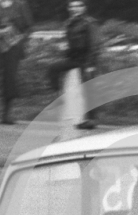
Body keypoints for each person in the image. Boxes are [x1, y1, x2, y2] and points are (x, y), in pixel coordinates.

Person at [47, 0, 100, 130]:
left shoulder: (89, 23)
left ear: (84, 8)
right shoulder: (69, 23)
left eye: (78, 6)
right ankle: (59, 99)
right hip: (73, 59)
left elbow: (94, 44)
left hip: (86, 60)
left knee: (88, 88)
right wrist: (65, 49)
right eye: (72, 6)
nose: (74, 8)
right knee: (52, 68)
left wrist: (91, 64)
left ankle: (91, 119)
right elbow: (71, 44)